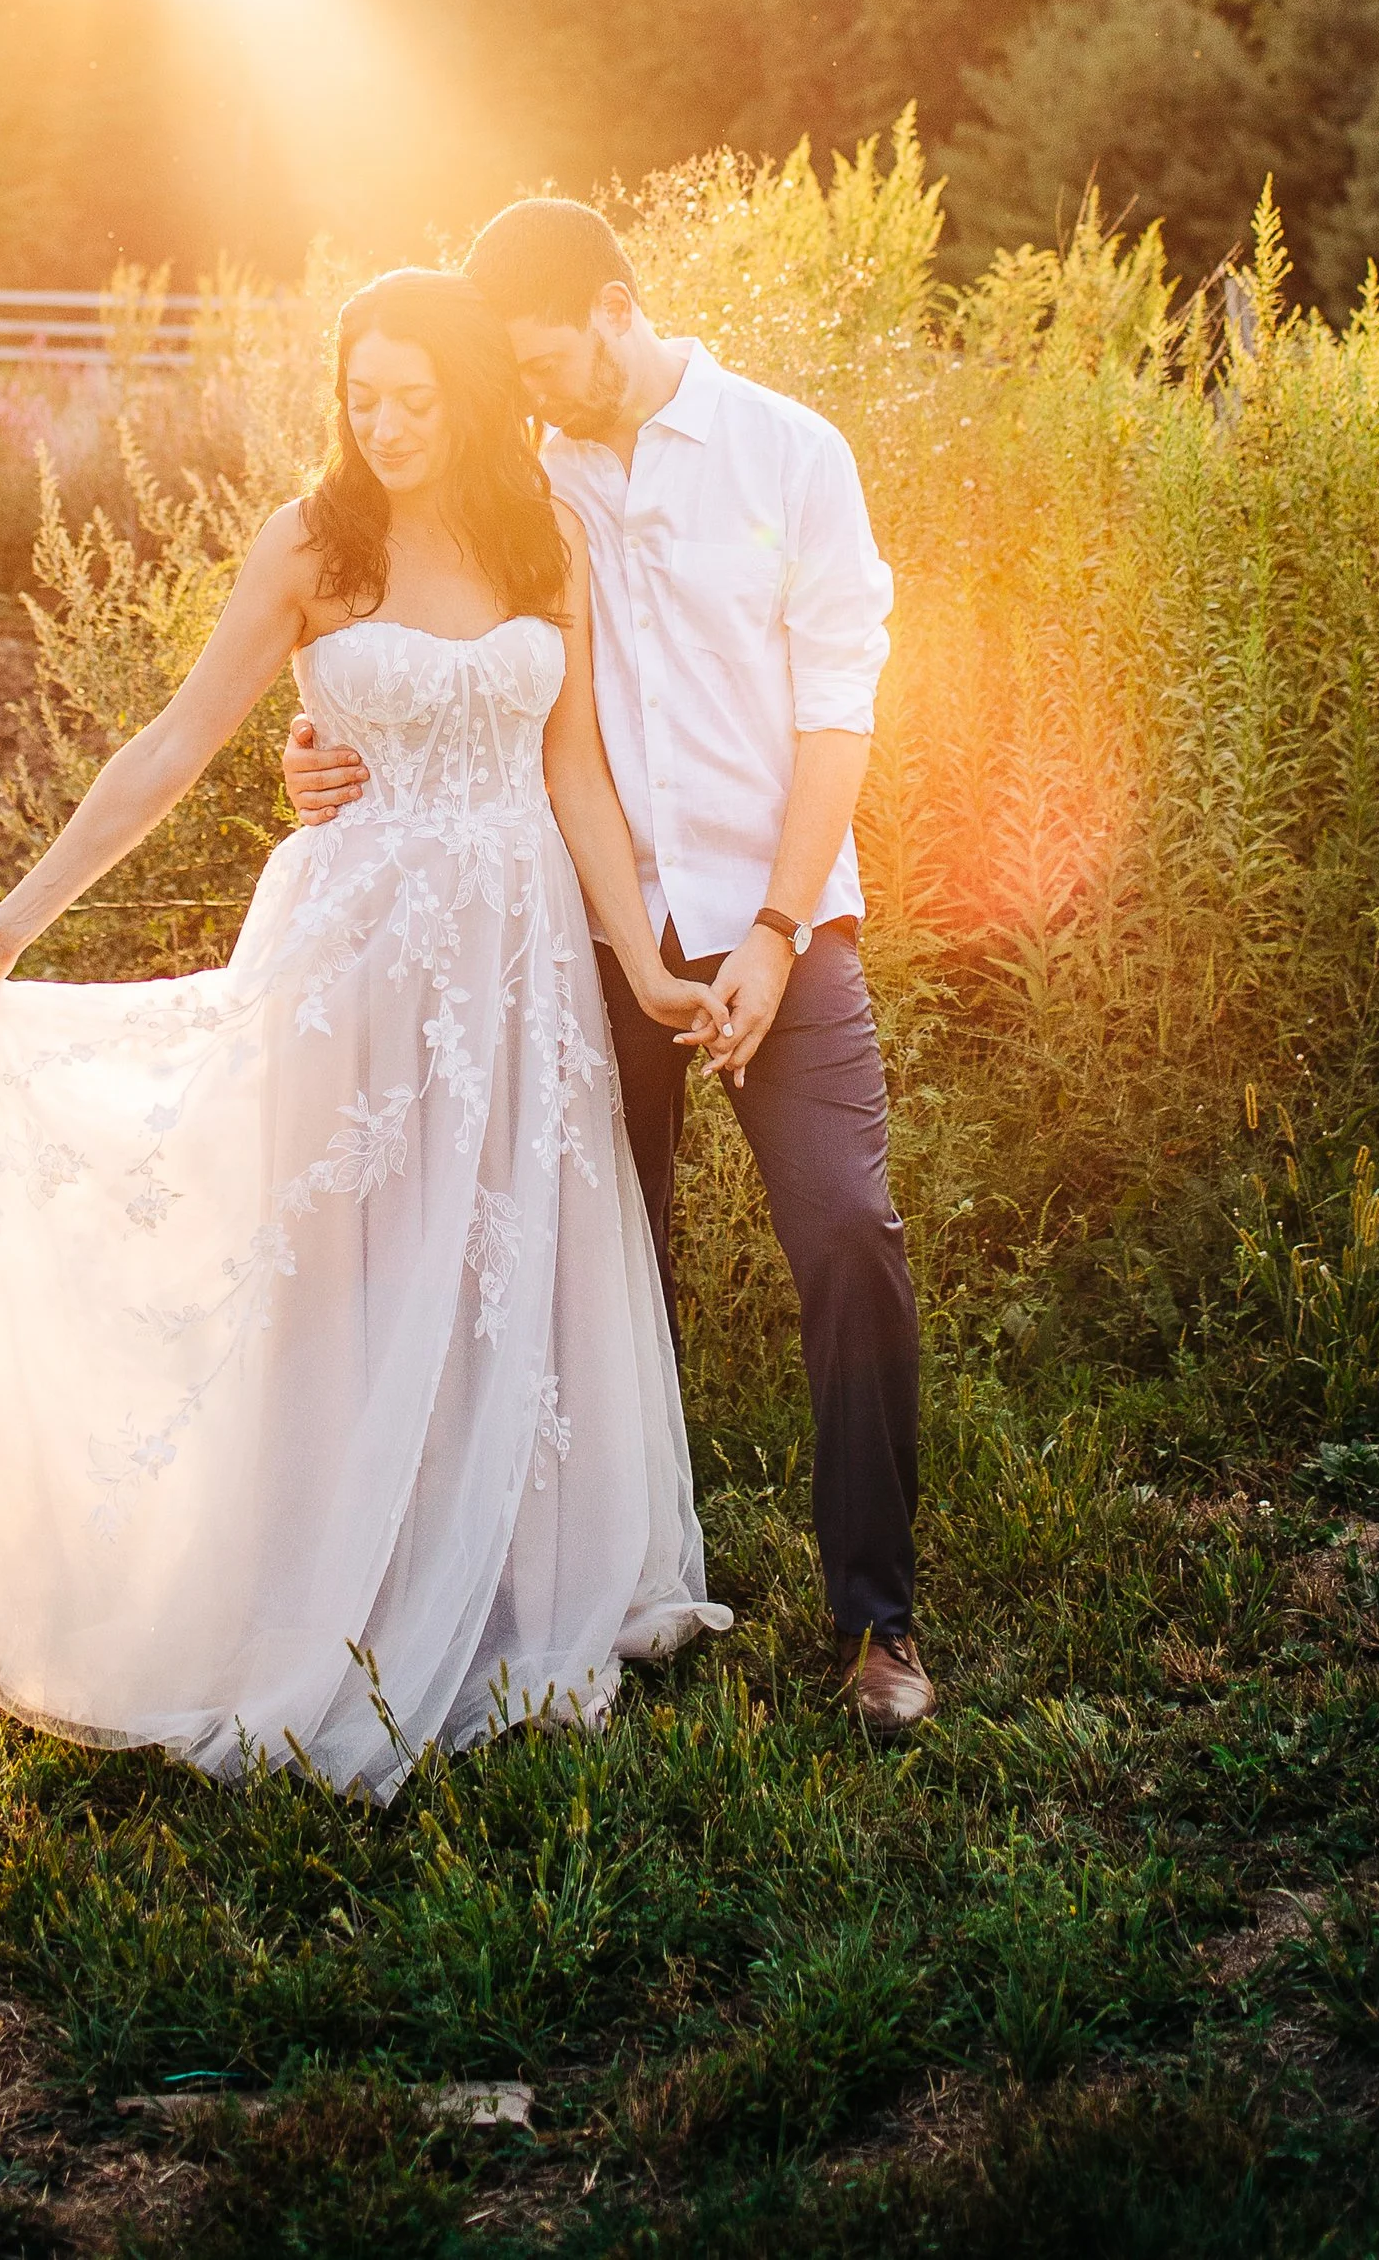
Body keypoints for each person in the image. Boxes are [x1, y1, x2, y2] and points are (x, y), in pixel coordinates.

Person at [0, 268, 730, 1802]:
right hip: (353, 955)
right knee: (338, 1273)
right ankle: (334, 1597)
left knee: (507, 1266)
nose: (385, 426)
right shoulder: (315, 539)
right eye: (361, 398)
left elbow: (575, 772)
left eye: (415, 397)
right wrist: (22, 913)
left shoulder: (538, 532)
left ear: (472, 392)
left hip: (515, 964)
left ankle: (502, 1592)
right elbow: (180, 735)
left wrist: (637, 959)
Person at [286, 201, 933, 1735]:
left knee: (847, 1229)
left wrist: (775, 931)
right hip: (581, 933)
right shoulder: (525, 479)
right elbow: (402, 632)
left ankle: (882, 1622)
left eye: (540, 365)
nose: (527, 397)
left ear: (620, 308)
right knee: (574, 1260)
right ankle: (566, 1591)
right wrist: (315, 749)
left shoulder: (792, 455)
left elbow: (840, 712)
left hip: (780, 918)